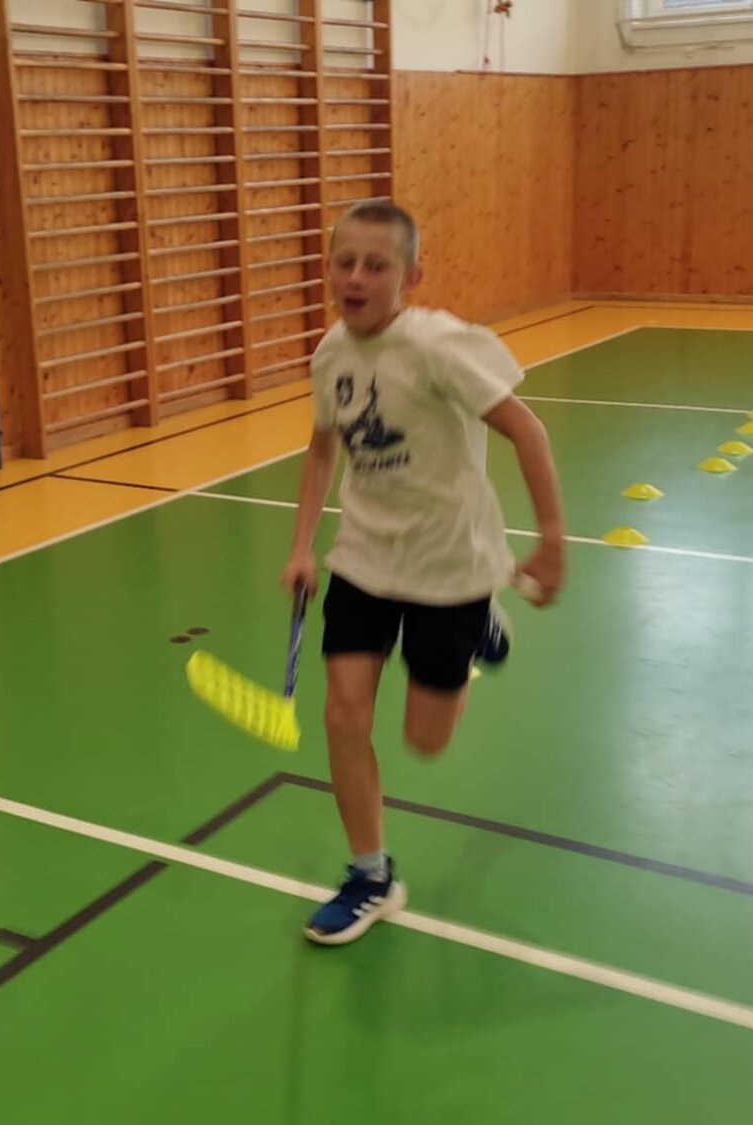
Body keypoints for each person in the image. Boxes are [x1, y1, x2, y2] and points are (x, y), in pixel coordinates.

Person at [281, 199, 567, 946]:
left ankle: (480, 626)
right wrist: (303, 545)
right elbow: (322, 448)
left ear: (410, 277)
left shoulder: (439, 346)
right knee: (343, 715)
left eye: (376, 265)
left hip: (451, 564)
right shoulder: (329, 354)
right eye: (344, 261)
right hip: (365, 558)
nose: (356, 277)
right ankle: (371, 876)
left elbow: (528, 431)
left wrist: (552, 540)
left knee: (425, 740)